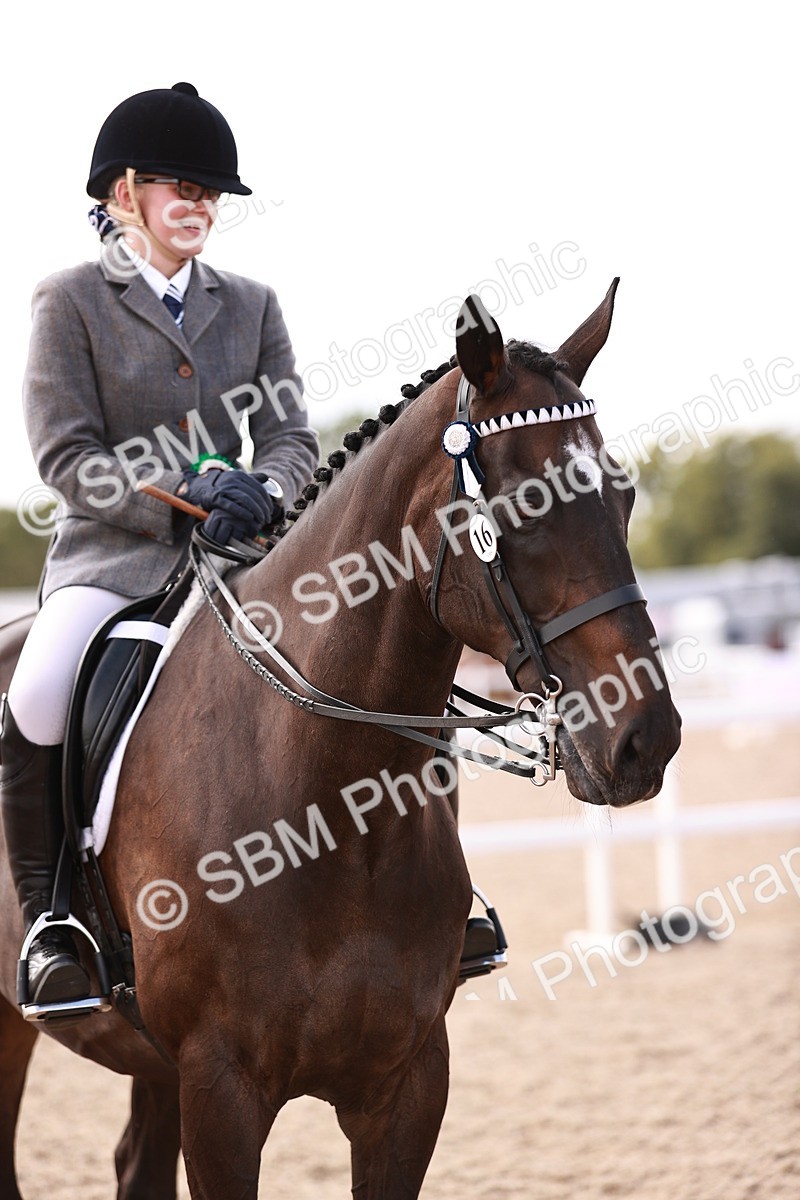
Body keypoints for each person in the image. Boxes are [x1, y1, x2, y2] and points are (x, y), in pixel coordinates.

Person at [0, 82, 318, 1009]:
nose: (201, 205)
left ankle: (431, 894)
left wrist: (264, 491)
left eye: (211, 192)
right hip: (113, 562)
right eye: (182, 185)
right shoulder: (68, 302)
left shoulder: (253, 305)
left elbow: (293, 435)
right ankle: (52, 916)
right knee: (39, 692)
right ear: (121, 193)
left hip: (243, 560)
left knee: (369, 647)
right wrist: (182, 497)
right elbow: (67, 454)